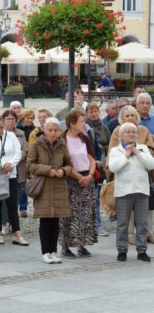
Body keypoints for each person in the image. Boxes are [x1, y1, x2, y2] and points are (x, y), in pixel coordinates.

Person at [27, 117, 72, 263]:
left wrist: (63, 171)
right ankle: (45, 252)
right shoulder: (37, 144)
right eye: (50, 130)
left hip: (59, 187)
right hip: (43, 186)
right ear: (44, 130)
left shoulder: (62, 144)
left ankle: (53, 251)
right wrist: (49, 170)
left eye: (55, 130)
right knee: (45, 221)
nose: (53, 133)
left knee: (56, 221)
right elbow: (30, 165)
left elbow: (69, 164)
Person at [106, 105, 154, 244]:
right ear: (122, 118)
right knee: (127, 210)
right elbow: (112, 151)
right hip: (124, 174)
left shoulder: (144, 130)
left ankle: (148, 233)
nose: (130, 118)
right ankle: (129, 234)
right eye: (127, 116)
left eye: (133, 115)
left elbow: (151, 148)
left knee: (148, 207)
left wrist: (140, 153)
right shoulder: (117, 131)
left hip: (143, 172)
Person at [59, 109, 98, 258]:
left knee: (86, 213)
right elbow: (64, 163)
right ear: (72, 123)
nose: (84, 124)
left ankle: (82, 245)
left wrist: (88, 175)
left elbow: (92, 158)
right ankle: (65, 246)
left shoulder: (84, 138)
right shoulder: (63, 140)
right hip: (70, 179)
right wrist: (78, 177)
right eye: (82, 121)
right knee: (69, 213)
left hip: (86, 177)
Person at [0, 115, 29, 246]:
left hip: (11, 173)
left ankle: (17, 233)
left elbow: (18, 152)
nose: (0, 130)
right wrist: (1, 165)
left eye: (1, 127)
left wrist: (11, 164)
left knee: (12, 203)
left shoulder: (10, 136)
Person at [85, 102, 111, 236]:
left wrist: (103, 151)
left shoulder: (105, 128)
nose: (94, 113)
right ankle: (95, 224)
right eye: (91, 111)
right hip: (89, 166)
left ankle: (96, 223)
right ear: (86, 114)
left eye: (96, 111)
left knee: (98, 197)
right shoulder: (85, 128)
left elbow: (111, 145)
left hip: (102, 166)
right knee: (92, 198)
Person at [2, 110, 29, 218]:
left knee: (16, 196)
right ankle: (5, 218)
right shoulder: (0, 133)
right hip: (4, 168)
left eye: (13, 119)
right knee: (4, 196)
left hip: (19, 168)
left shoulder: (20, 133)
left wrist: (15, 160)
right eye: (8, 119)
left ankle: (12, 218)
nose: (10, 121)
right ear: (3, 120)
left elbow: (25, 149)